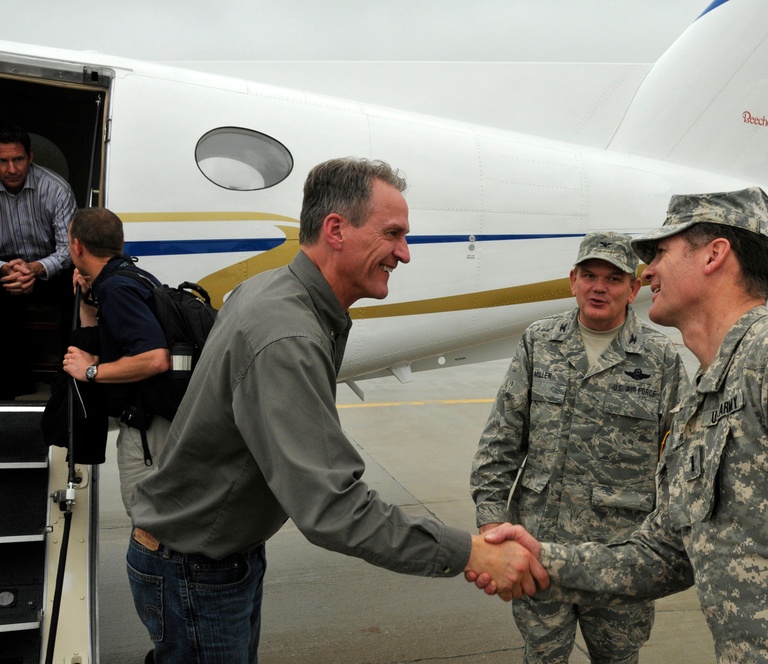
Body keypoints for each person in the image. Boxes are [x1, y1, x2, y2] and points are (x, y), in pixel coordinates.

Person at [477, 187, 768, 662]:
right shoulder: (702, 400)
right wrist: (538, 559)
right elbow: (663, 554)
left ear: (714, 256)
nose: (648, 271)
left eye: (660, 253)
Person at [125, 157, 548, 664]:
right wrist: (471, 552)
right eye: (393, 234)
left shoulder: (272, 292)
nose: (404, 254)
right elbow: (332, 507)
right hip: (195, 570)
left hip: (205, 557)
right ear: (336, 230)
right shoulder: (287, 333)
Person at [470, 230, 689, 663]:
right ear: (573, 280)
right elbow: (501, 440)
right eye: (589, 275)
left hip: (619, 561)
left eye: (612, 278)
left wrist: (663, 546)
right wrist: (491, 527)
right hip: (539, 551)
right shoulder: (540, 342)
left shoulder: (659, 358)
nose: (598, 287)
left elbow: (679, 463)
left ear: (634, 287)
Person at [61, 207, 171, 514]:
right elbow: (114, 339)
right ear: (119, 245)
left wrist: (91, 371)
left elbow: (154, 358)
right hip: (150, 419)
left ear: (77, 246)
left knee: (148, 516)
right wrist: (85, 301)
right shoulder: (124, 277)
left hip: (147, 428)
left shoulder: (116, 288)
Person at [0, 123, 77, 398]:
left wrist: (35, 268)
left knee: (78, 286)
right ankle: (12, 382)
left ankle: (67, 379)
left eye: (18, 159)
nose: (11, 169)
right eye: (3, 161)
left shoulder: (56, 189)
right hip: (6, 272)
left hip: (51, 271)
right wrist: (7, 269)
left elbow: (68, 250)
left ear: (30, 157)